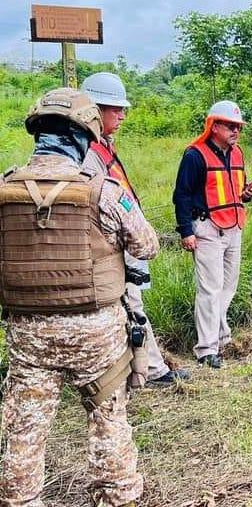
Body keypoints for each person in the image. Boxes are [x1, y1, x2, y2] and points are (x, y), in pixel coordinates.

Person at [0, 87, 159, 506]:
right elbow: (146, 244)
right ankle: (116, 496)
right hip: (96, 331)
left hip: (28, 334)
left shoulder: (4, 191)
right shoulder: (104, 190)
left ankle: (19, 499)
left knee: (24, 427)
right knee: (108, 419)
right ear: (85, 137)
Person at [82, 71, 189, 386]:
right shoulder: (88, 154)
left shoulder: (103, 146)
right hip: (109, 246)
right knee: (129, 306)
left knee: (129, 306)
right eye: (115, 108)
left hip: (122, 241)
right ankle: (149, 371)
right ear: (93, 110)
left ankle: (142, 369)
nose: (122, 115)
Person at [173, 101, 252, 368]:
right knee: (209, 289)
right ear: (214, 126)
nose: (235, 131)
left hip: (234, 226)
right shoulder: (194, 155)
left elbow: (233, 186)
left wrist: (244, 195)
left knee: (228, 286)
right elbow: (182, 195)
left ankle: (221, 335)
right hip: (207, 228)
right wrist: (186, 231)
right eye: (230, 126)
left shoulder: (237, 153)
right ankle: (206, 349)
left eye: (238, 127)